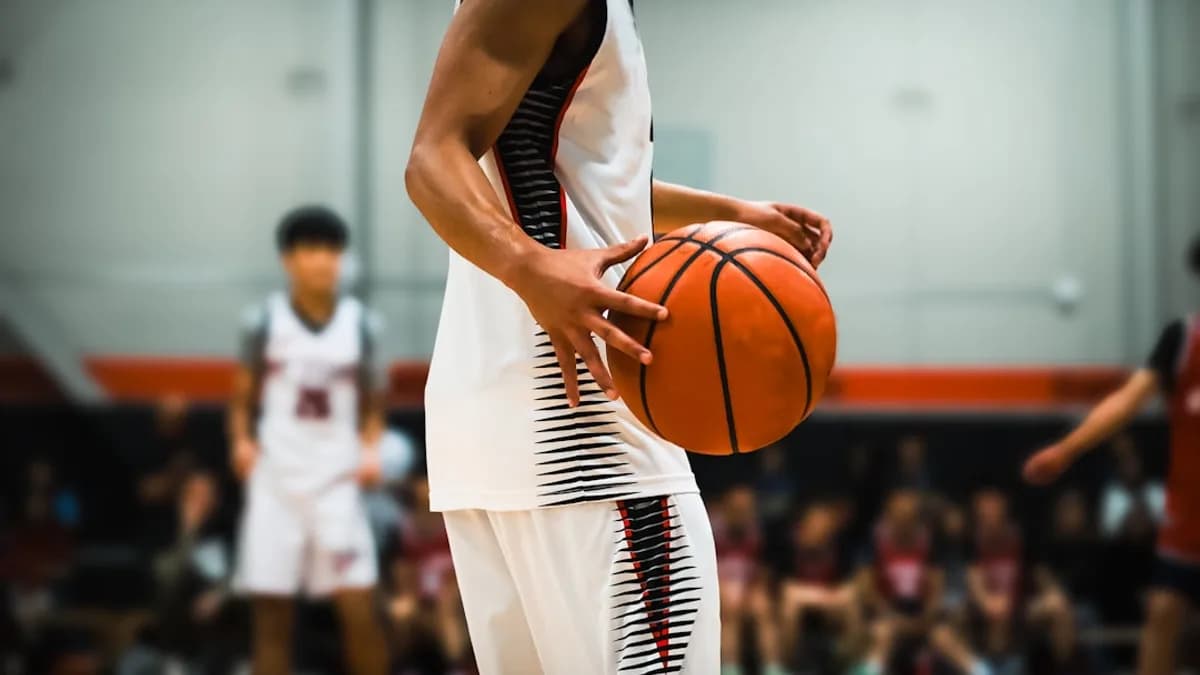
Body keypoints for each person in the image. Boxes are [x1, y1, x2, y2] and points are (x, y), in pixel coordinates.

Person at [405, 1, 832, 673]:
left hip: (490, 432)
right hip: (584, 424)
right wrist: (527, 265)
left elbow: (583, 179)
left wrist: (731, 214)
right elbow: (432, 157)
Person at [1022, 236, 1200, 675]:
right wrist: (1067, 450)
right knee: (1162, 612)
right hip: (1190, 513)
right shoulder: (1183, 339)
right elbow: (1127, 401)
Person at [227, 206, 389, 675]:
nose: (323, 261)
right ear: (289, 260)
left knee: (360, 609)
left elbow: (374, 402)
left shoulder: (362, 324)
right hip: (276, 481)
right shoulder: (263, 321)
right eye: (311, 250)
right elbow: (241, 396)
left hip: (337, 482)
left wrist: (372, 446)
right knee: (272, 615)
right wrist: (241, 439)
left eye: (331, 251)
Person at [856, 489, 989, 675]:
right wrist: (893, 618)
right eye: (899, 516)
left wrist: (923, 620)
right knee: (883, 636)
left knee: (944, 637)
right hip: (887, 616)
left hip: (922, 618)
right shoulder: (873, 542)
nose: (904, 522)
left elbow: (937, 590)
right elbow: (868, 592)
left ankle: (981, 671)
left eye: (909, 517)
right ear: (888, 516)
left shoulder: (929, 544)